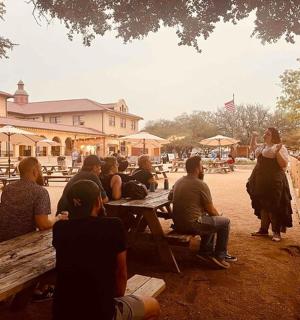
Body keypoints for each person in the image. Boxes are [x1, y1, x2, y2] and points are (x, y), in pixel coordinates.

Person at [52, 180, 160, 320]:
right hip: (101, 313)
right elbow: (121, 272)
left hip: (62, 312)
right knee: (154, 306)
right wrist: (117, 300)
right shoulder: (113, 226)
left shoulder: (60, 228)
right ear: (98, 201)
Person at [168, 156, 236, 269]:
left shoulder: (179, 181)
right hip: (191, 225)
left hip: (178, 223)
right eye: (201, 165)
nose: (202, 167)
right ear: (196, 168)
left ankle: (205, 252)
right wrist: (218, 218)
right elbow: (211, 209)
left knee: (209, 218)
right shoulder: (200, 184)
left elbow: (170, 197)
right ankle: (220, 255)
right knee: (224, 222)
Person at [247, 128, 292, 242]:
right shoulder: (263, 146)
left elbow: (283, 164)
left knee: (273, 205)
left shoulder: (278, 147)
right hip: (260, 179)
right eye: (265, 133)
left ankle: (276, 232)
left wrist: (277, 153)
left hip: (273, 180)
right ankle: (263, 230)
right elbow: (253, 148)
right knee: (262, 204)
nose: (265, 135)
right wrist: (253, 137)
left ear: (273, 136)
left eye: (268, 134)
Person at [0, 157, 55, 242]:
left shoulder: (7, 188)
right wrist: (57, 218)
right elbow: (43, 224)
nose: (41, 173)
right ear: (35, 171)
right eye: (40, 169)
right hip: (23, 242)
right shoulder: (40, 191)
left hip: (3, 239)